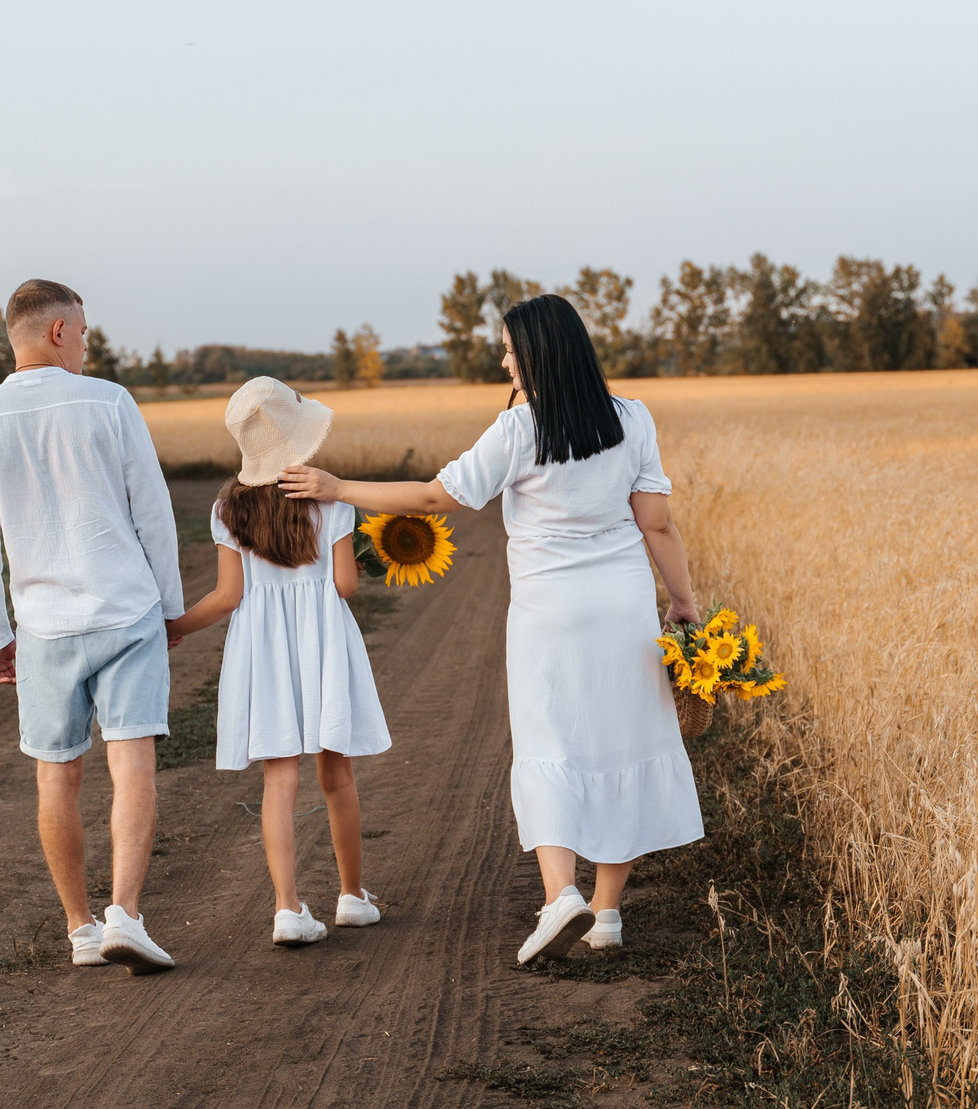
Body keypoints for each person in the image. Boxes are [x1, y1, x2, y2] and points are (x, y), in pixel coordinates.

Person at [281, 293, 701, 964]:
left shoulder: (517, 431)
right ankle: (609, 912)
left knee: (550, 740)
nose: (503, 358)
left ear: (538, 353)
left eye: (510, 348)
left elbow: (431, 496)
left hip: (546, 614)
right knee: (626, 740)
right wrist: (683, 600)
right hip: (623, 606)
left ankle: (561, 890)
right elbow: (656, 522)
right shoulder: (633, 419)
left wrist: (336, 487)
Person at [0, 277, 181, 972]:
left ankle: (81, 928)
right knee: (132, 762)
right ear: (56, 331)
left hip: (44, 625)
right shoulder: (110, 403)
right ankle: (127, 915)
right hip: (126, 609)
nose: (85, 342)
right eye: (81, 331)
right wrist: (169, 608)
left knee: (57, 778)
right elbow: (153, 513)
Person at [168, 378, 391, 946]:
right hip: (322, 642)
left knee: (279, 777)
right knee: (336, 773)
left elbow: (227, 597)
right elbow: (343, 584)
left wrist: (175, 629)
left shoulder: (227, 507)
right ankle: (351, 896)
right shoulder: (331, 498)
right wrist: (363, 560)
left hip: (262, 647)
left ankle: (287, 908)